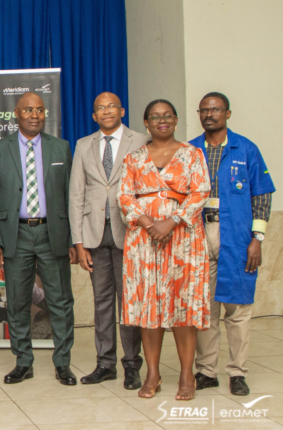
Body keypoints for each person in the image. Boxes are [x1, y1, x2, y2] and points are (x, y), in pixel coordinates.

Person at [0, 92, 78, 386]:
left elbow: (71, 196)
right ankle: (23, 362)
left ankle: (63, 364)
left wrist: (74, 240)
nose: (34, 115)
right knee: (18, 303)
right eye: (28, 110)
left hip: (53, 233)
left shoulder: (61, 147)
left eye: (39, 110)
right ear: (16, 113)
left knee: (60, 302)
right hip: (16, 235)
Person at [117, 99, 210, 400]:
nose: (162, 120)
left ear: (176, 120)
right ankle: (153, 374)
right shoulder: (133, 159)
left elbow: (201, 192)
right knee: (150, 308)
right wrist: (148, 223)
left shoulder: (193, 154)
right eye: (155, 117)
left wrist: (171, 221)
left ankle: (186, 376)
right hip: (144, 241)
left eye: (168, 115)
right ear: (146, 123)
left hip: (183, 237)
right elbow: (124, 197)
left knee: (182, 305)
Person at [189, 92, 275, 396]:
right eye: (204, 110)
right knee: (206, 309)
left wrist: (257, 239)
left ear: (227, 113)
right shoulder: (190, 150)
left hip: (237, 238)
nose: (209, 114)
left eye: (215, 110)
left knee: (237, 310)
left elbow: (262, 196)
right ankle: (206, 371)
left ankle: (237, 372)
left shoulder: (246, 149)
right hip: (199, 236)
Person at [69, 92, 148, 390]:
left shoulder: (141, 141)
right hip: (94, 235)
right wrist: (78, 242)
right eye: (100, 108)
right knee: (102, 303)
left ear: (122, 111)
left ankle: (132, 365)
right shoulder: (83, 145)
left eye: (111, 106)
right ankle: (105, 364)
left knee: (129, 303)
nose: (106, 111)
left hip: (130, 234)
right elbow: (76, 194)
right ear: (94, 115)